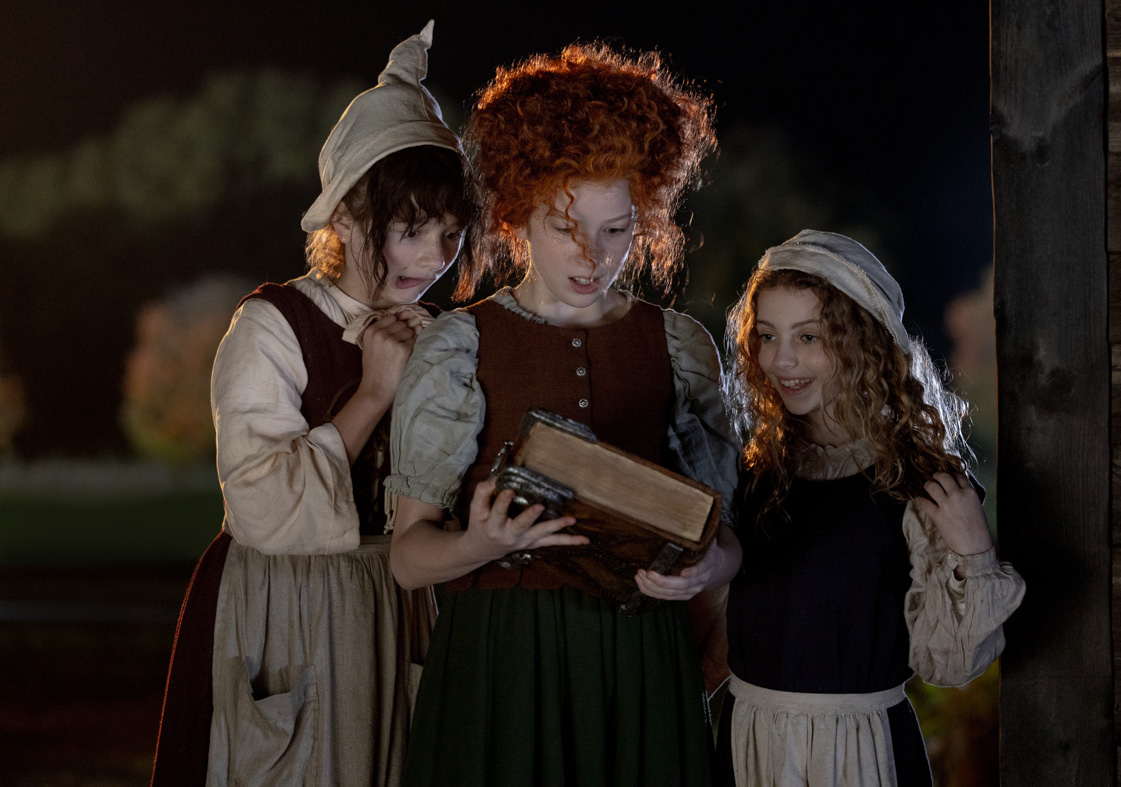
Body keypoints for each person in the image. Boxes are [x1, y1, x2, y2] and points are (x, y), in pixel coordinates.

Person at [385, 43, 741, 786]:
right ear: (516, 216)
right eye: (563, 226)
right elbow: (407, 556)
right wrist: (478, 541)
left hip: (643, 662)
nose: (593, 255)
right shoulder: (462, 344)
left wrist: (706, 563)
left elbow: (728, 540)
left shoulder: (678, 344)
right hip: (504, 663)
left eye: (616, 229)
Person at [149, 22, 471, 786]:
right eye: (411, 229)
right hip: (283, 608)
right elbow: (261, 503)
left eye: (451, 236)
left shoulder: (444, 338)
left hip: (393, 608)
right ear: (350, 217)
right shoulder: (272, 326)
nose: (432, 261)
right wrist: (373, 393)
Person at [715, 230, 1027, 786]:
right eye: (767, 336)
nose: (781, 360)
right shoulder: (755, 470)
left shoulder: (920, 482)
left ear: (863, 341)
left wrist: (975, 551)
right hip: (748, 744)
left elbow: (952, 667)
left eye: (809, 336)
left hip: (858, 754)